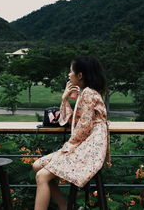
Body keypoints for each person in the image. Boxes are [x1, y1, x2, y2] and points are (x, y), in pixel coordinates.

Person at [33, 56, 110, 210]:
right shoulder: (87, 93)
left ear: (80, 75)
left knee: (41, 175)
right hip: (84, 146)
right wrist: (65, 99)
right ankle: (65, 206)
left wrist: (68, 147)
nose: (69, 75)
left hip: (89, 150)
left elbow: (84, 127)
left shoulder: (88, 94)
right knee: (36, 166)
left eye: (70, 71)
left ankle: (63, 207)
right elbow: (71, 121)